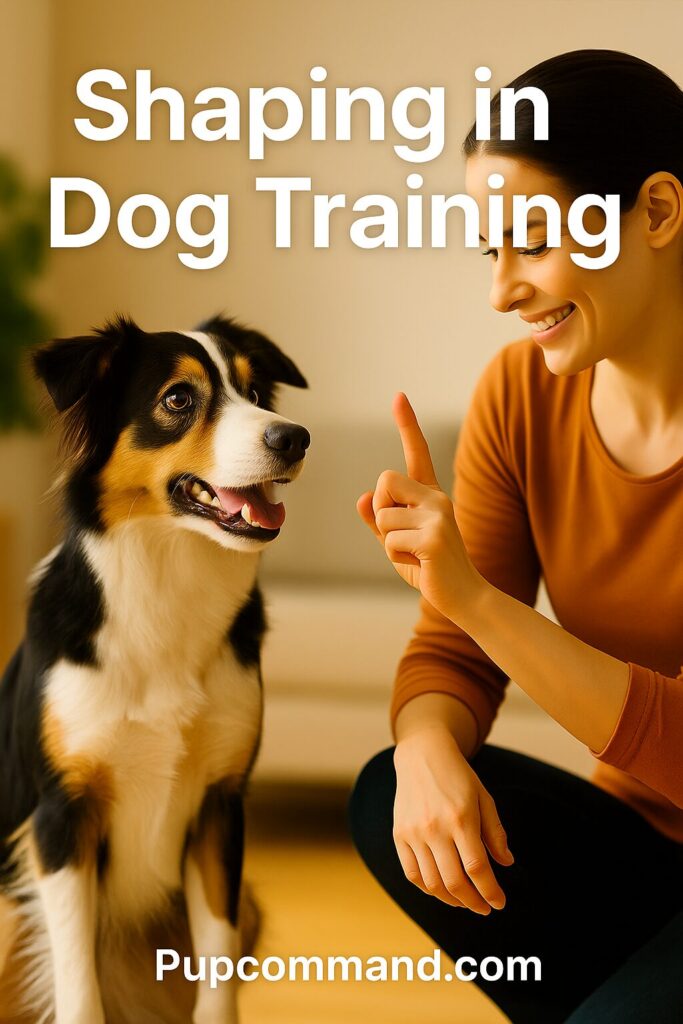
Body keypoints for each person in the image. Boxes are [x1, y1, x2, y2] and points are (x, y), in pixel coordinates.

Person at [348, 49, 683, 1024]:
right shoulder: (518, 395)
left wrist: (479, 603)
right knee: (389, 791)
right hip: (647, 849)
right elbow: (451, 653)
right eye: (486, 248)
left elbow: (473, 615)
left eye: (531, 241)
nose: (500, 290)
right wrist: (423, 752)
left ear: (656, 211)